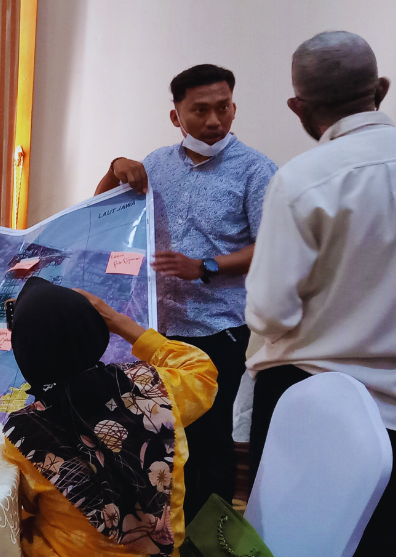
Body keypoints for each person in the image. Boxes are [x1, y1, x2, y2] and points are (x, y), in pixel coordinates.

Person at [245, 30, 396, 557]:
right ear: (381, 89)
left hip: (312, 399)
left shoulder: (305, 178)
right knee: (377, 556)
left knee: (280, 556)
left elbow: (270, 313)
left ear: (298, 108)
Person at [94, 64, 277, 521]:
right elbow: (100, 209)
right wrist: (114, 167)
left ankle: (206, 544)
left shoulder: (256, 170)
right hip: (154, 328)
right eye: (200, 110)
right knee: (152, 432)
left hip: (218, 330)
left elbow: (274, 243)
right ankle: (157, 530)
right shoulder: (155, 163)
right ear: (176, 116)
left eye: (224, 108)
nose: (215, 120)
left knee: (209, 440)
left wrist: (207, 267)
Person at [1, 278, 217, 557]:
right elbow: (201, 369)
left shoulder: (25, 437)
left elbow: (6, 512)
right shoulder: (155, 390)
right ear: (96, 330)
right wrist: (117, 320)